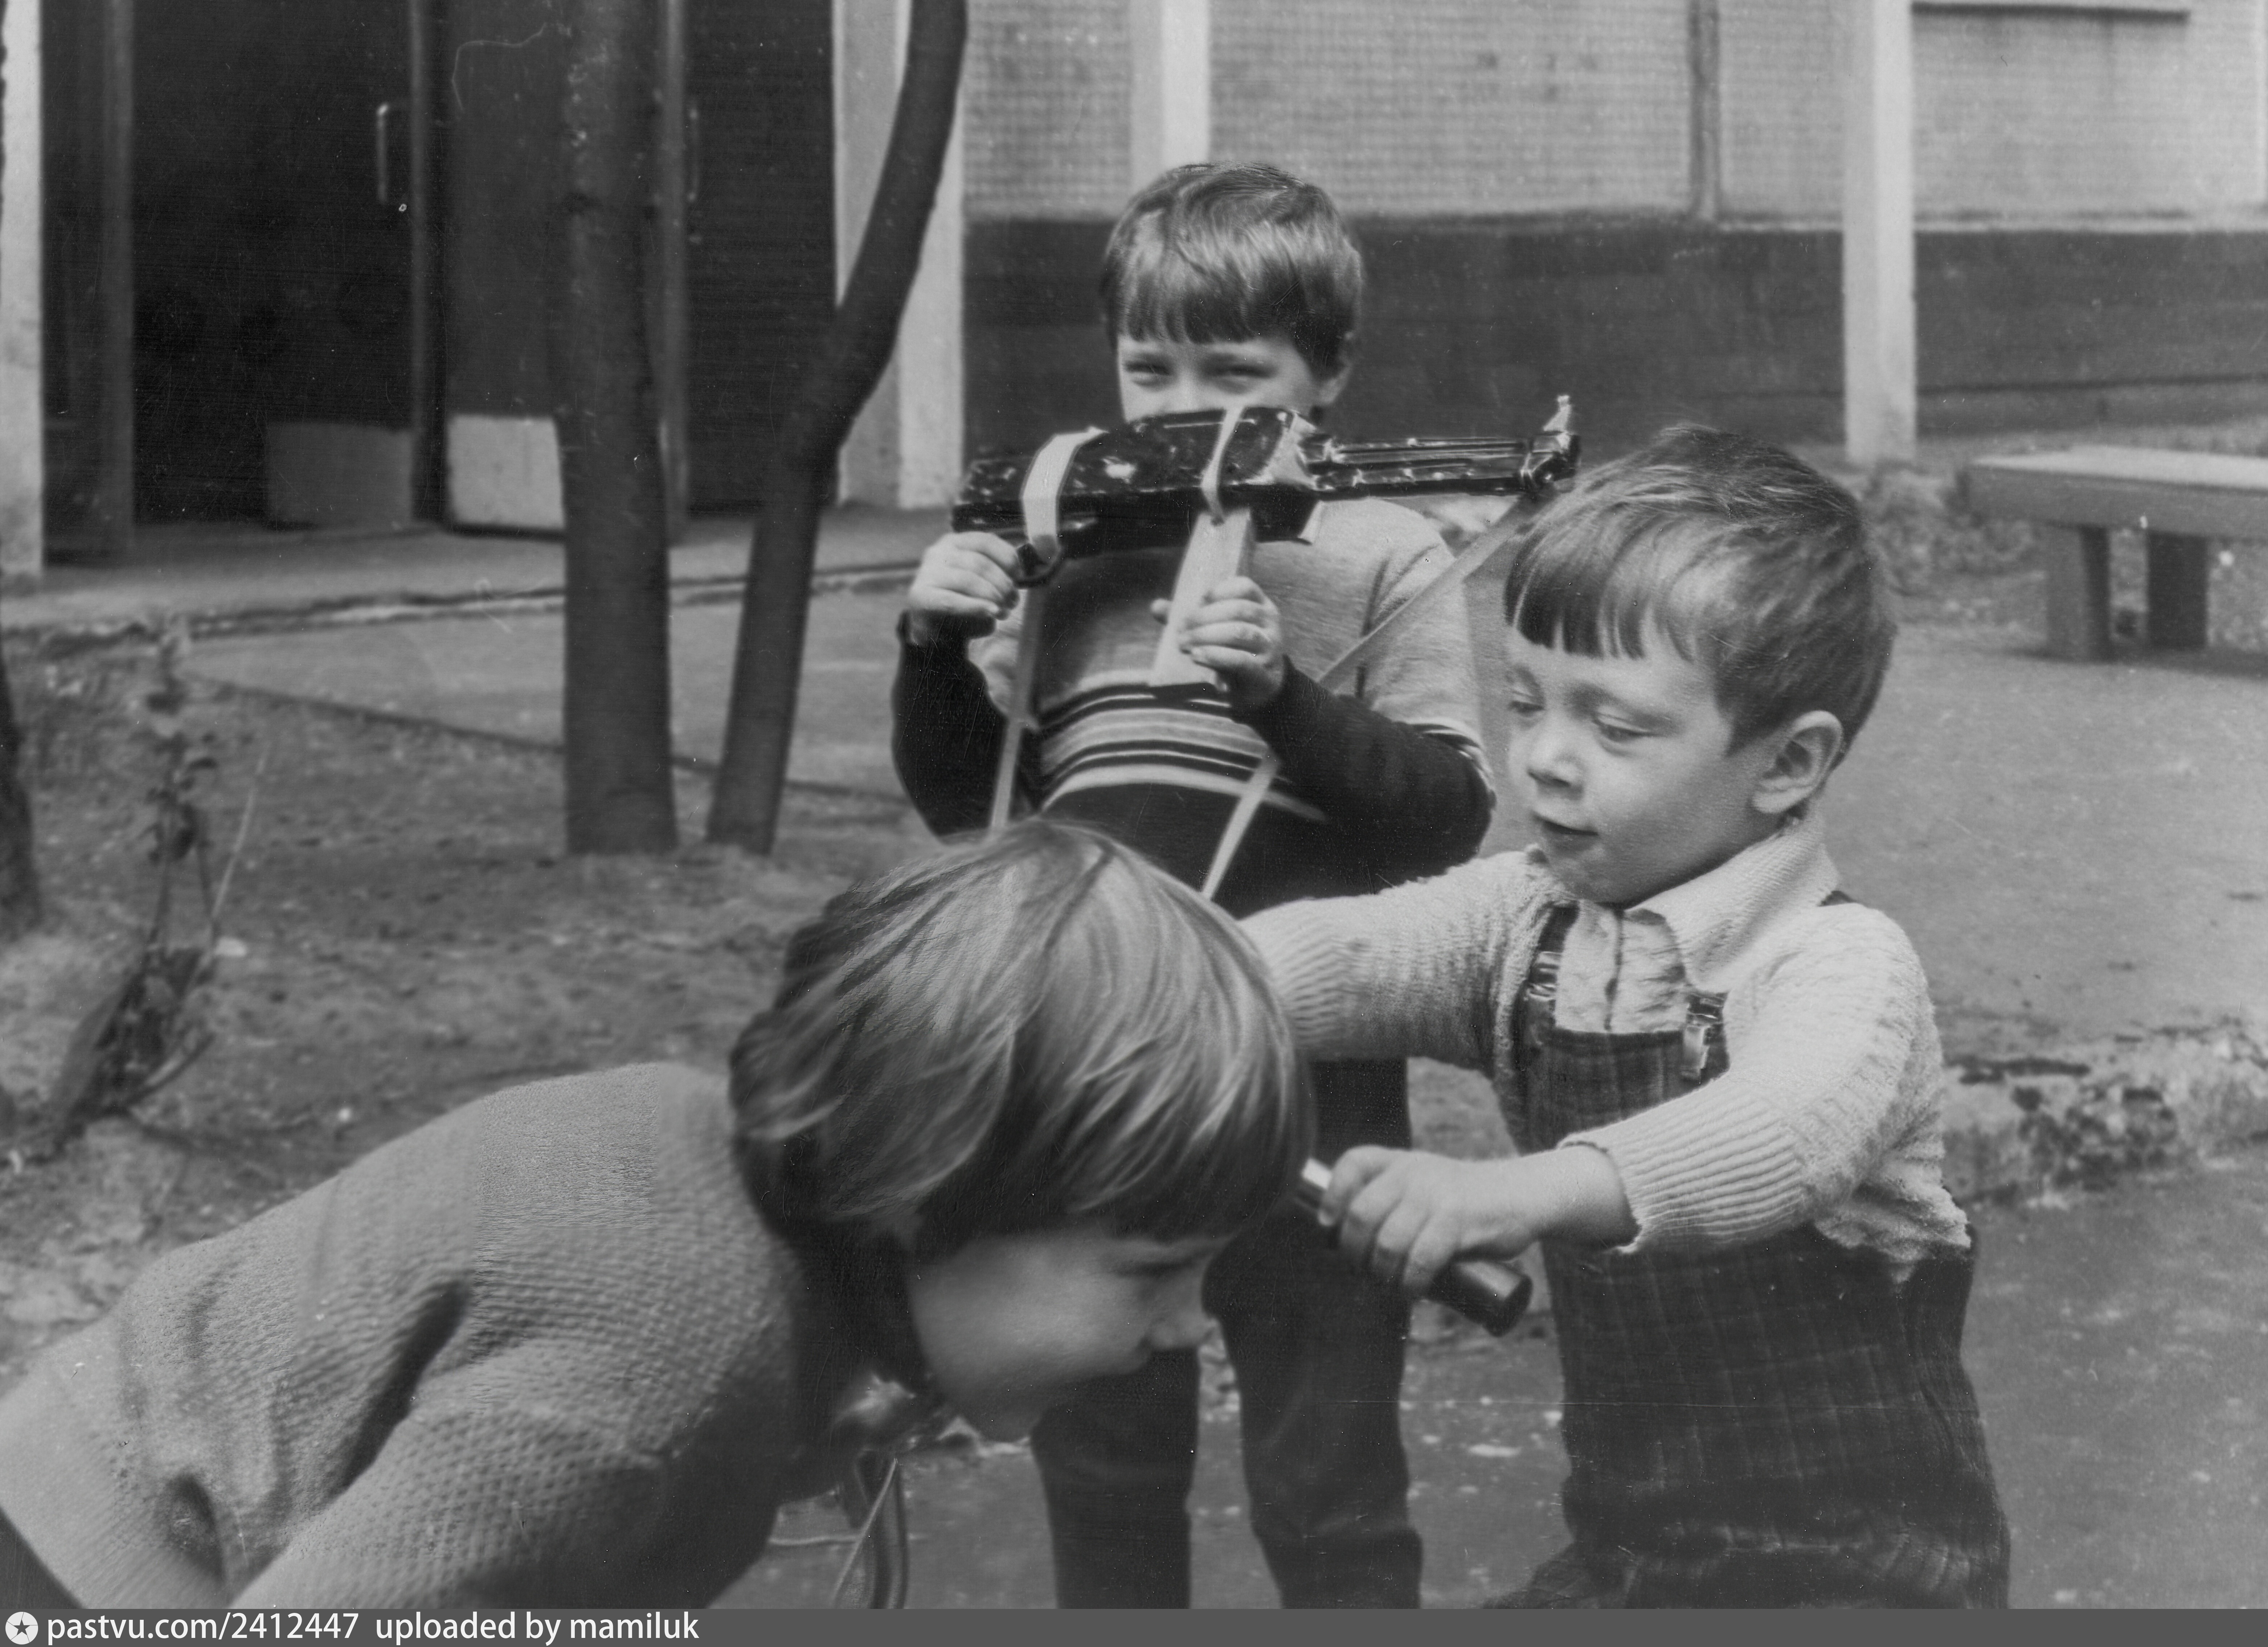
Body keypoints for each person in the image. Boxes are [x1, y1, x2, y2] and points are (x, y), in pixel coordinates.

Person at [0, 822, 1311, 1609]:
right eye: (1151, 1271)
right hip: (109, 1573)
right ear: (925, 1188)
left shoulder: (715, 1176)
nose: (1188, 1326)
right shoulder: (667, 1370)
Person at [1246, 424, 2013, 1608]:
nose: (1544, 760)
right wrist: (1152, 980)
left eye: (1614, 726)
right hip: (1633, 1562)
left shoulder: (1837, 963)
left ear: (1785, 764)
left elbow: (1783, 1132)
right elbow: (1337, 954)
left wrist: (1510, 1193)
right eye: (1524, 701)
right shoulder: (1526, 921)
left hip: (1862, 1572)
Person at [892, 161, 1492, 1608]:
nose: (1180, 408)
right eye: (1147, 370)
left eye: (1233, 373)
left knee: (1328, 1481)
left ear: (1327, 373)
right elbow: (981, 806)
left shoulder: (1387, 548)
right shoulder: (1072, 552)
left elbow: (1443, 822)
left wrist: (1283, 695)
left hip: (1308, 1073)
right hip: (1097, 1070)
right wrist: (933, 649)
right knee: (1103, 1465)